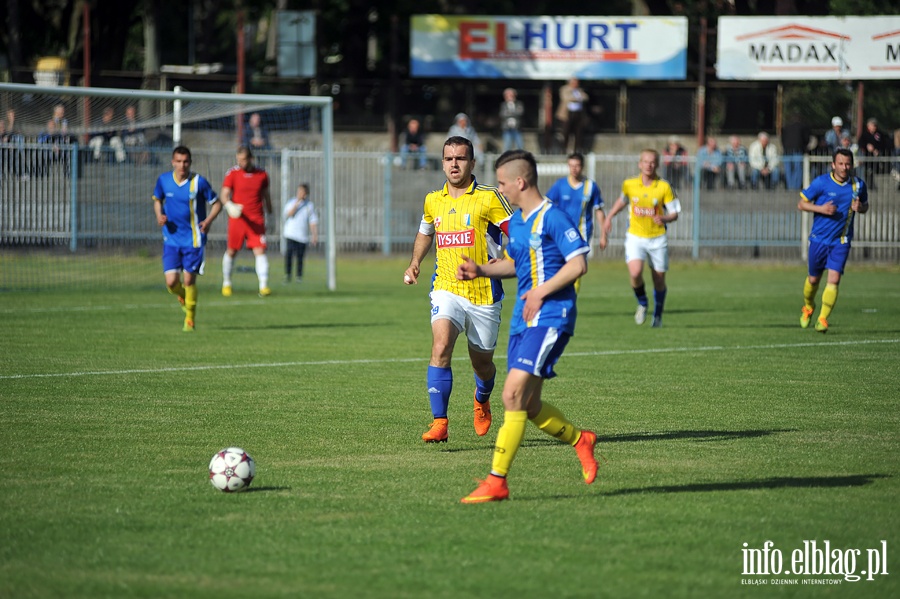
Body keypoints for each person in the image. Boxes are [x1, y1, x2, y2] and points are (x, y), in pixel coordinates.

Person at [456, 149, 599, 504]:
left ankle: (497, 481)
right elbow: (514, 265)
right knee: (530, 405)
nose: (500, 189)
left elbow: (578, 263)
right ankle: (581, 440)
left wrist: (541, 291)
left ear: (520, 181)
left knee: (511, 395)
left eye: (503, 183)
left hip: (552, 316)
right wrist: (482, 269)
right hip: (524, 319)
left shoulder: (553, 217)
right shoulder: (517, 222)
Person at [402, 135, 513, 444]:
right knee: (440, 347)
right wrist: (415, 264)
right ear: (442, 162)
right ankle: (440, 422)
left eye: (460, 158)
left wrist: (508, 256)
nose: (454, 164)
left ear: (472, 163)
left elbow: (518, 231)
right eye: (449, 158)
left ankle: (482, 398)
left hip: (484, 295)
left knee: (482, 363)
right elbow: (426, 232)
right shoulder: (433, 199)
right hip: (446, 288)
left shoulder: (490, 197)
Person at [602, 149, 681, 328]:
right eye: (645, 161)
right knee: (635, 273)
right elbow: (622, 200)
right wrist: (609, 217)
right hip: (635, 236)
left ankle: (658, 314)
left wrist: (665, 218)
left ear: (657, 165)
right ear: (639, 164)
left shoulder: (664, 186)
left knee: (659, 279)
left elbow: (675, 213)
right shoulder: (630, 184)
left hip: (657, 238)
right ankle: (643, 303)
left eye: (652, 162)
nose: (648, 165)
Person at [797, 148, 869, 333]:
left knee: (834, 279)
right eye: (841, 164)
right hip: (819, 239)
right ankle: (808, 306)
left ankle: (822, 319)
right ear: (833, 164)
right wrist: (821, 209)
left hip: (841, 240)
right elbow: (801, 203)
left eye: (848, 164)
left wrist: (860, 207)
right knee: (813, 280)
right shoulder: (821, 182)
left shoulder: (858, 185)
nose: (844, 168)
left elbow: (866, 206)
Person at [152, 146, 222, 332]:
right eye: (179, 161)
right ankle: (183, 296)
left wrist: (208, 221)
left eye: (186, 162)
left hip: (194, 240)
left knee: (190, 281)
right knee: (171, 283)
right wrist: (159, 215)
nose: (182, 165)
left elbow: (217, 203)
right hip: (171, 239)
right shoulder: (164, 180)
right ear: (173, 162)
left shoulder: (199, 182)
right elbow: (157, 199)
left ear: (190, 163)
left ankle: (190, 318)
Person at [545, 152, 606, 292]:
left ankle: (571, 297)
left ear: (582, 167)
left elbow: (599, 211)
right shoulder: (559, 185)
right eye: (571, 165)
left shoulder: (591, 186)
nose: (574, 169)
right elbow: (546, 205)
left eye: (577, 165)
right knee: (558, 265)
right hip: (560, 233)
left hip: (582, 233)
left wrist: (603, 234)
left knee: (576, 268)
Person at [220, 146, 273, 297]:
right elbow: (224, 194)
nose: (241, 163)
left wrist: (271, 215)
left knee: (260, 250)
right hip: (238, 219)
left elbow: (266, 196)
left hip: (256, 219)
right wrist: (230, 205)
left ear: (251, 159)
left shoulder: (262, 175)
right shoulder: (233, 174)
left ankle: (263, 286)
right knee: (232, 250)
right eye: (239, 160)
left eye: (243, 159)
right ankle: (227, 283)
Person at [282, 183, 319, 283]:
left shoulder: (309, 205)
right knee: (289, 255)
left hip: (302, 236)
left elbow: (312, 221)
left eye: (302, 192)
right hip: (290, 234)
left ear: (306, 193)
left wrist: (314, 235)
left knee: (300, 257)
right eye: (299, 191)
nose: (300, 193)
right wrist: (297, 203)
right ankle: (287, 275)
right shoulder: (291, 202)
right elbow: (289, 214)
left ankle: (299, 276)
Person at [556, 77, 588, 154]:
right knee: (565, 132)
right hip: (567, 114)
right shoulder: (565, 89)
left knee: (578, 133)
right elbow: (566, 98)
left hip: (578, 113)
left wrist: (578, 97)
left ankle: (577, 150)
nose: (576, 83)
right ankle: (563, 150)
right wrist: (577, 98)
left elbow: (585, 97)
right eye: (574, 82)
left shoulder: (579, 90)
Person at [857, 117, 892, 187]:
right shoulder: (864, 135)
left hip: (878, 157)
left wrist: (878, 150)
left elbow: (885, 143)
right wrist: (867, 146)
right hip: (867, 158)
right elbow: (860, 143)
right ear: (868, 126)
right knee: (867, 172)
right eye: (873, 125)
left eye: (875, 125)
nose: (874, 127)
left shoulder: (880, 134)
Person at [781, 113, 809, 190]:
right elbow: (806, 139)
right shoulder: (803, 126)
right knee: (798, 169)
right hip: (798, 149)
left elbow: (782, 139)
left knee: (788, 169)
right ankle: (796, 187)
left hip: (787, 150)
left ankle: (790, 186)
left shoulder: (786, 126)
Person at [499, 87, 524, 152]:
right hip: (507, 128)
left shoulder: (519, 104)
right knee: (507, 146)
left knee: (520, 146)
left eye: (511, 95)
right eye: (508, 95)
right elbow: (502, 114)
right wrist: (513, 113)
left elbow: (520, 113)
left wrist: (509, 113)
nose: (510, 97)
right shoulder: (503, 105)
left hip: (517, 128)